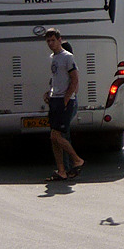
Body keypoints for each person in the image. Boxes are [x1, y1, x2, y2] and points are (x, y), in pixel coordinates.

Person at [42, 28, 85, 181]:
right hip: (55, 99)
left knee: (57, 135)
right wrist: (50, 93)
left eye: (53, 40)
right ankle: (62, 171)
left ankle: (77, 160)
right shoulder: (52, 58)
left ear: (59, 40)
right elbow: (56, 79)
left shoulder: (68, 57)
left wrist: (66, 98)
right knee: (53, 137)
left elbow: (74, 79)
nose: (50, 43)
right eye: (48, 41)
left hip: (64, 100)